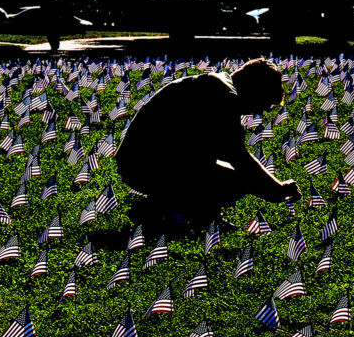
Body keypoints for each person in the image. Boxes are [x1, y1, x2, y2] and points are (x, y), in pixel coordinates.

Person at [116, 59, 300, 230]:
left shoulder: (218, 85)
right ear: (254, 89)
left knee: (226, 173)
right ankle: (160, 208)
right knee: (237, 181)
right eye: (264, 104)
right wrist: (276, 189)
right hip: (145, 165)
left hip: (142, 160)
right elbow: (238, 157)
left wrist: (270, 188)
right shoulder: (224, 96)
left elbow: (212, 152)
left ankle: (191, 211)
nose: (259, 112)